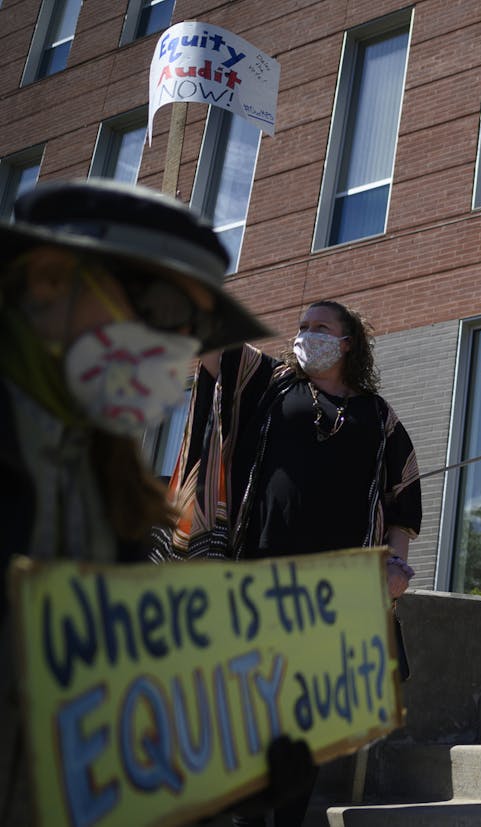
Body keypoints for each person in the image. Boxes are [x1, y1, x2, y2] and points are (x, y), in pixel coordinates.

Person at [0, 180, 269, 825]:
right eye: (161, 307)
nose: (178, 344)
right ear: (47, 282)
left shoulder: (107, 480)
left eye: (197, 326)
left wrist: (208, 786)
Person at [155, 299, 420, 826]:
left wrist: (397, 567)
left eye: (319, 328)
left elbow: (402, 497)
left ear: (348, 343)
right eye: (300, 327)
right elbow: (214, 351)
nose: (305, 335)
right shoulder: (271, 382)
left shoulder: (378, 415)